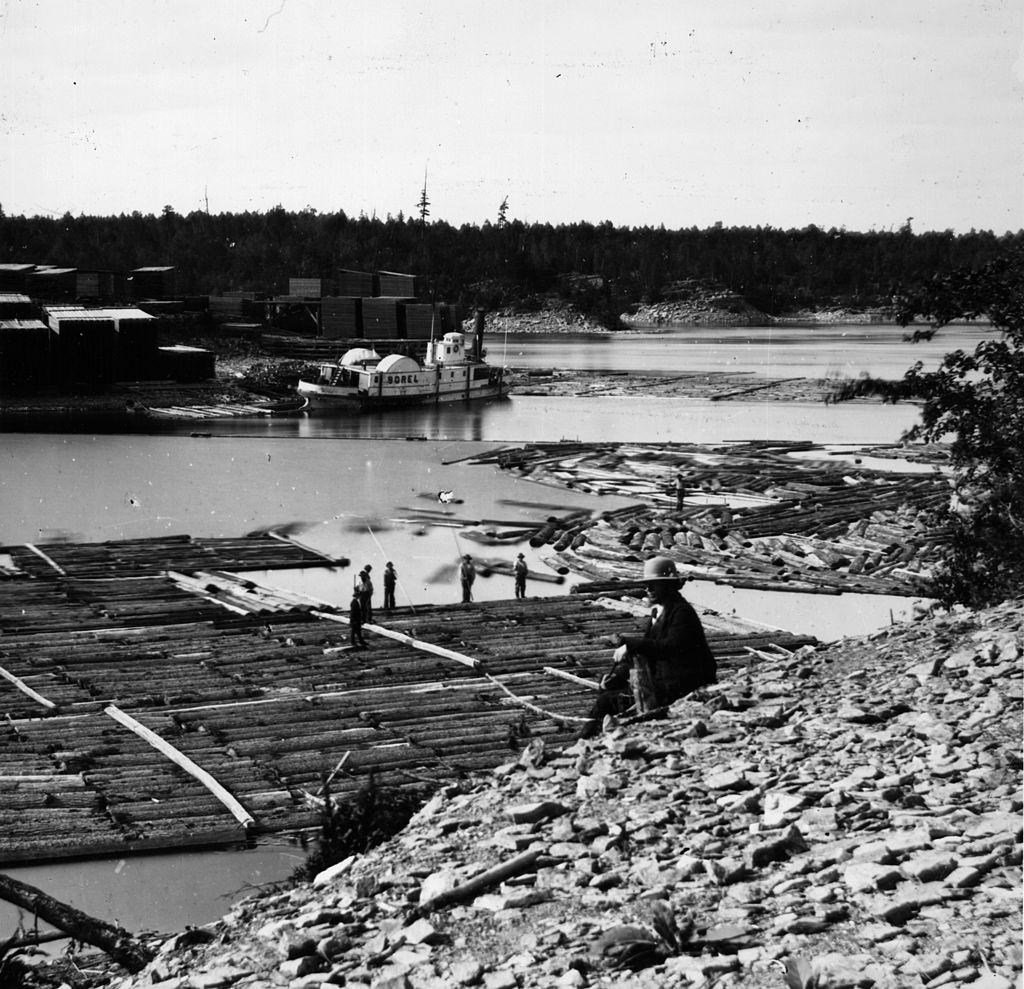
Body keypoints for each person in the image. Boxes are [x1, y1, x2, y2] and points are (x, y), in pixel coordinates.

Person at [580, 556, 716, 738]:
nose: (648, 589)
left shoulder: (682, 612)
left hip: (685, 685)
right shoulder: (660, 611)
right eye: (647, 584)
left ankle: (583, 741)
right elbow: (647, 651)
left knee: (606, 701)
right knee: (609, 690)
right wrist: (617, 677)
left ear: (669, 586)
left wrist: (628, 643)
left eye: (654, 584)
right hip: (666, 680)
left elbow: (668, 647)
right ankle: (594, 736)